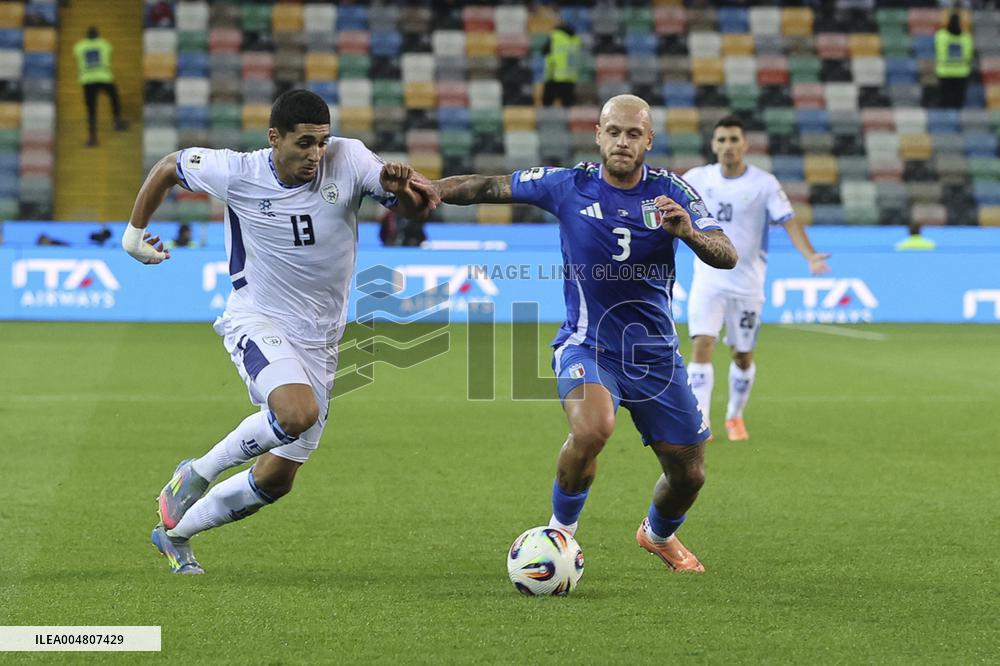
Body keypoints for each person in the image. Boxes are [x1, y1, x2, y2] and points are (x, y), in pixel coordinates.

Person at [122, 89, 438, 574]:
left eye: (322, 142)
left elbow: (416, 210)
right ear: (275, 138)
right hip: (258, 318)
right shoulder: (237, 171)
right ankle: (196, 472)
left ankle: (176, 534)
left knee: (276, 480)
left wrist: (400, 191)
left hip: (323, 339)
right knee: (295, 411)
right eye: (305, 143)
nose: (316, 154)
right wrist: (133, 234)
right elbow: (168, 166)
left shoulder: (349, 158)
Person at [430, 95, 737, 572]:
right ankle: (559, 535)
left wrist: (688, 233)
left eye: (633, 134)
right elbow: (490, 186)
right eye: (613, 131)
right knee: (593, 428)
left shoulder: (671, 192)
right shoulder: (569, 184)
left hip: (654, 355)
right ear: (598, 134)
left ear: (648, 141)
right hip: (587, 344)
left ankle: (657, 535)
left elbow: (726, 252)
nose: (622, 141)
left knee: (689, 473)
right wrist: (430, 189)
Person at [682, 116, 831, 442]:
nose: (727, 146)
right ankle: (701, 422)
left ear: (745, 144)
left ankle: (734, 416)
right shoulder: (696, 179)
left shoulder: (764, 184)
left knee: (742, 355)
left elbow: (789, 221)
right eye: (721, 140)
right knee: (701, 344)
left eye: (734, 140)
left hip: (747, 284)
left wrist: (809, 255)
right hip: (708, 280)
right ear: (713, 145)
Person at [72, 27, 128, 147]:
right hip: (104, 77)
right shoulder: (104, 44)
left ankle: (92, 138)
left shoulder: (79, 46)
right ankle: (117, 121)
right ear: (98, 35)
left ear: (86, 35)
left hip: (87, 80)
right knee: (114, 97)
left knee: (91, 110)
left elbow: (77, 57)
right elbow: (109, 55)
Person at [935, 12, 974, 109]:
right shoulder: (967, 37)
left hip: (945, 72)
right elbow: (970, 56)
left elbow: (936, 50)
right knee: (958, 102)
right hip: (961, 73)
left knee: (945, 101)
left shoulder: (941, 36)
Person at [541, 22, 581, 107]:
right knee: (567, 107)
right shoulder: (576, 39)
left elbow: (544, 51)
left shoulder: (555, 36)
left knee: (547, 105)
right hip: (570, 78)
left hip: (554, 76)